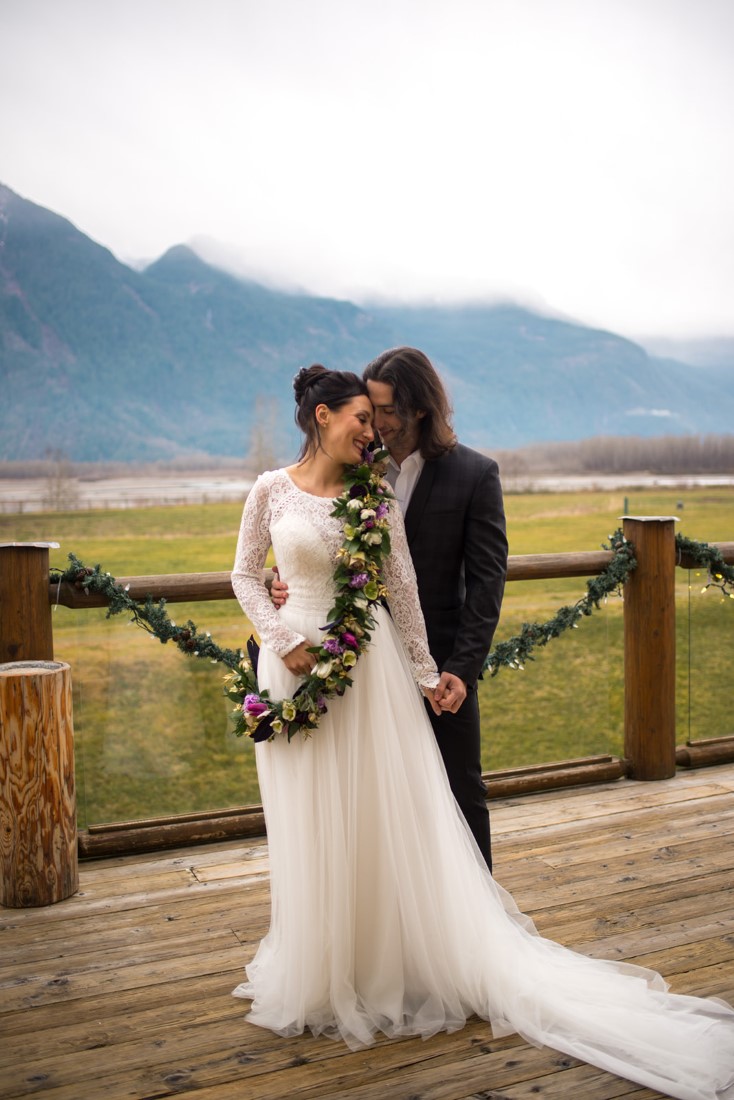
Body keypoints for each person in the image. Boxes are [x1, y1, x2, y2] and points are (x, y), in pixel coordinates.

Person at [231, 364, 734, 1099]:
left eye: (378, 419)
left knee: (379, 812)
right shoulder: (269, 489)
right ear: (320, 416)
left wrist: (431, 674)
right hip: (291, 672)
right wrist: (278, 636)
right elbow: (246, 574)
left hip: (365, 673)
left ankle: (386, 964)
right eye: (359, 418)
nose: (371, 429)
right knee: (308, 817)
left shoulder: (377, 495)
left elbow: (401, 590)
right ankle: (318, 964)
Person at [273, 346, 506, 870]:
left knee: (460, 787)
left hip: (441, 662)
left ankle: (479, 915)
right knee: (372, 798)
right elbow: (305, 536)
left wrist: (462, 669)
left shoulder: (475, 474)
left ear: (419, 408)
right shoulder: (353, 465)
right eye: (367, 410)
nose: (372, 421)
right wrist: (277, 581)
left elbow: (488, 584)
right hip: (362, 658)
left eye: (383, 410)